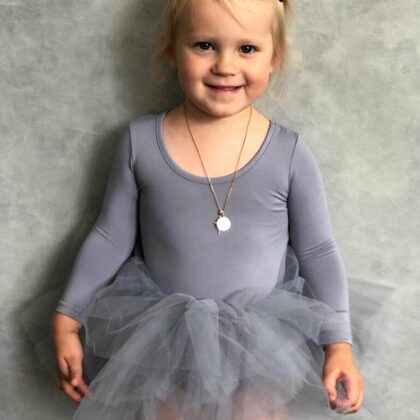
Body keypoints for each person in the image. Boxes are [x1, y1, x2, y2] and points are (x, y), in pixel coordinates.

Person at [50, 0, 364, 418]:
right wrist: (68, 317)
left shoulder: (288, 153)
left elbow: (317, 251)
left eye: (247, 49)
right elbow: (110, 238)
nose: (225, 66)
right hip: (165, 340)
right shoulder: (141, 143)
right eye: (204, 45)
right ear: (171, 50)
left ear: (274, 56)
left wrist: (338, 343)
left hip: (261, 344)